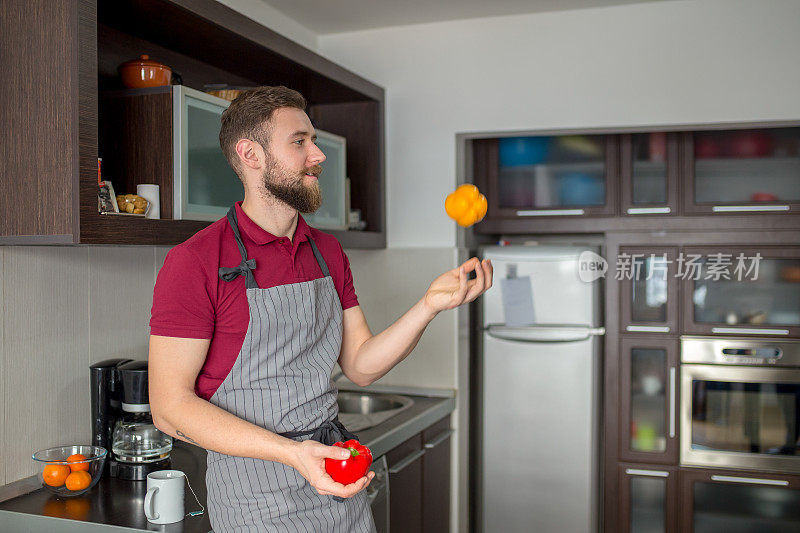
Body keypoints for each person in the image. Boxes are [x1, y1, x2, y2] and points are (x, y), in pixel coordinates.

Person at [148, 86, 493, 532]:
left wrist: (429, 306)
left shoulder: (326, 250)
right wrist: (293, 454)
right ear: (251, 155)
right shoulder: (195, 261)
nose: (318, 154)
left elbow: (361, 366)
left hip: (339, 475)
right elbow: (169, 408)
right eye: (299, 141)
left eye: (313, 140)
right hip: (257, 497)